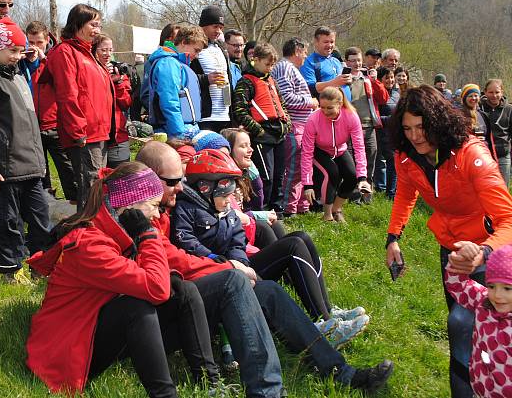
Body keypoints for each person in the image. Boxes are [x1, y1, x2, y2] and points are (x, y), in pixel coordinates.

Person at [136, 142, 395, 395]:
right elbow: (173, 259)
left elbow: (213, 242)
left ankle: (340, 371)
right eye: (172, 181)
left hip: (183, 293)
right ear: (147, 179)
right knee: (238, 281)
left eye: (180, 179)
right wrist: (228, 266)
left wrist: (236, 260)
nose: (180, 187)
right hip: (159, 313)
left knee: (267, 290)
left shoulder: (160, 206)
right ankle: (269, 388)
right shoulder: (142, 211)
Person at [26, 163, 221, 397]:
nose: (158, 214)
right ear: (129, 207)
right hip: (69, 347)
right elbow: (156, 288)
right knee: (136, 307)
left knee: (182, 288)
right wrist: (148, 235)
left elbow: (161, 282)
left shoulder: (116, 232)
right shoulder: (90, 245)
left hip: (93, 326)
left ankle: (211, 383)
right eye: (153, 206)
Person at [384, 85, 512, 397]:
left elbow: (508, 218)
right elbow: (405, 192)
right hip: (451, 251)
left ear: (439, 121)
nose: (415, 136)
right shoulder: (407, 155)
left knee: (464, 323)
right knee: (461, 329)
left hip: (489, 251)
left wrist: (482, 252)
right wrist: (393, 237)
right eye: (408, 128)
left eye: (422, 127)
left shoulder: (472, 154)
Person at [171, 147, 370, 348]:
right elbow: (186, 242)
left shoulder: (222, 209)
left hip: (239, 268)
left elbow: (237, 240)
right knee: (292, 245)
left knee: (301, 237)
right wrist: (218, 259)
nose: (228, 201)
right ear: (205, 188)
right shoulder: (186, 209)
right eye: (224, 194)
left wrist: (240, 261)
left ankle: (328, 312)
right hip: (220, 273)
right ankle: (325, 323)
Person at [0, 17, 51, 283]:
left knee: (40, 219)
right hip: (6, 168)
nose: (17, 56)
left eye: (20, 51)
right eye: (12, 50)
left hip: (31, 165)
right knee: (8, 221)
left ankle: (42, 264)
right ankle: (11, 268)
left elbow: (30, 123)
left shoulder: (18, 77)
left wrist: (41, 162)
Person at [42, 4, 113, 210]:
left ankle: (97, 230)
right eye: (93, 24)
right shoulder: (66, 52)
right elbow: (68, 94)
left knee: (98, 186)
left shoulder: (88, 53)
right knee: (89, 187)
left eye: (99, 25)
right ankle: (86, 234)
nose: (97, 30)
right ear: (78, 24)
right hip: (85, 135)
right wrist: (77, 130)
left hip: (100, 132)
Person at [445, 243, 512, 398]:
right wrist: (462, 256)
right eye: (492, 286)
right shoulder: (483, 302)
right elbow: (458, 285)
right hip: (480, 390)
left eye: (507, 288)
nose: (497, 295)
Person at [232, 42, 290, 214]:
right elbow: (240, 110)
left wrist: (287, 124)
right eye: (267, 64)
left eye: (272, 65)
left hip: (279, 134)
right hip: (262, 136)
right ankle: (261, 210)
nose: (270, 68)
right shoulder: (245, 82)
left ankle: (277, 209)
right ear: (255, 60)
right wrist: (259, 130)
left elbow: (282, 105)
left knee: (280, 175)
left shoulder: (272, 81)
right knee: (266, 176)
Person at [24, 21, 78, 202]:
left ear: (47, 40)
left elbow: (65, 82)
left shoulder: (57, 55)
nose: (34, 47)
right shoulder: (23, 60)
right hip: (32, 127)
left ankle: (75, 207)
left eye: (39, 42)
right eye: (30, 42)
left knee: (67, 171)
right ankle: (47, 209)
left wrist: (44, 60)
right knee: (40, 173)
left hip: (55, 125)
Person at [301, 87, 370, 222]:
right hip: (320, 150)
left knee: (351, 176)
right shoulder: (313, 119)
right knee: (332, 173)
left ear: (339, 104)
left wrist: (362, 177)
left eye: (330, 108)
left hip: (340, 149)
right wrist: (307, 184)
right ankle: (327, 215)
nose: (325, 112)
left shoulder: (351, 116)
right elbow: (307, 152)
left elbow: (359, 147)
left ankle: (336, 209)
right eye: (322, 108)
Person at [271, 37, 317, 215]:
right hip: (293, 126)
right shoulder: (284, 67)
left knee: (301, 167)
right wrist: (311, 102)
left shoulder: (292, 69)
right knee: (293, 167)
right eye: (304, 51)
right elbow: (286, 97)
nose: (305, 56)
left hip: (303, 125)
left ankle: (300, 205)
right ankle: (287, 206)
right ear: (297, 50)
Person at [142, 25, 205, 139]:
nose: (197, 56)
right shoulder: (168, 63)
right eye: (196, 50)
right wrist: (178, 134)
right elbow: (169, 101)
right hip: (173, 130)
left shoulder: (177, 63)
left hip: (184, 127)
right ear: (183, 42)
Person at [343, 47, 388, 195]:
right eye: (353, 60)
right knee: (353, 161)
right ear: (346, 62)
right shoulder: (342, 79)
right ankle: (352, 193)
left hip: (369, 125)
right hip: (349, 126)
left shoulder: (368, 79)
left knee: (370, 157)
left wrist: (374, 81)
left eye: (359, 60)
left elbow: (383, 99)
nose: (356, 63)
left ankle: (367, 192)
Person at [191, 6, 236, 132]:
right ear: (203, 26)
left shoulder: (221, 48)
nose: (218, 31)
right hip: (204, 118)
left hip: (225, 115)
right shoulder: (193, 48)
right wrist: (206, 79)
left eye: (221, 27)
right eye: (215, 26)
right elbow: (185, 78)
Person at [93, 34, 132, 167]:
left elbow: (126, 103)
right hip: (97, 135)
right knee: (99, 179)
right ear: (94, 50)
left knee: (121, 176)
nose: (107, 54)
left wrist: (118, 82)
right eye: (103, 50)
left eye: (110, 50)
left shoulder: (119, 73)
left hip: (118, 136)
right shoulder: (89, 71)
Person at [299, 26, 352, 100]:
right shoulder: (309, 62)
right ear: (316, 42)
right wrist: (334, 83)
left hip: (346, 107)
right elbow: (310, 87)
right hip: (327, 109)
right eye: (326, 42)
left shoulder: (336, 61)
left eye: (332, 42)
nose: (330, 45)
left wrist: (348, 80)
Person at [481, 79, 512, 186]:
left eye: (497, 92)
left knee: (503, 189)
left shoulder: (509, 109)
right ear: (485, 92)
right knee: (486, 188)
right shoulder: (479, 108)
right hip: (483, 156)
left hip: (502, 156)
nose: (494, 95)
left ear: (502, 92)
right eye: (491, 92)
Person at [375, 67, 400, 197]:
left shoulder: (396, 93)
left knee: (393, 163)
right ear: (380, 80)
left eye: (391, 77)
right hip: (380, 132)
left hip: (393, 132)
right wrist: (387, 120)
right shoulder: (377, 94)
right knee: (380, 162)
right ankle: (380, 188)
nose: (390, 80)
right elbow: (375, 115)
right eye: (387, 78)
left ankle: (391, 193)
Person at [460, 84, 493, 152]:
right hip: (466, 154)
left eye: (476, 95)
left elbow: (489, 138)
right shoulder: (459, 115)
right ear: (464, 98)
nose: (473, 98)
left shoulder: (483, 115)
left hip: (483, 153)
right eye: (470, 96)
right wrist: (473, 140)